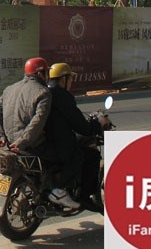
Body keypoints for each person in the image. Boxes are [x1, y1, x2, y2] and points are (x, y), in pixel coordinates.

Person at [0, 56, 80, 209]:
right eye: (46, 73)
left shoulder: (9, 89)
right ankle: (57, 190)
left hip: (10, 143)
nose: (47, 77)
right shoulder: (43, 92)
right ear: (40, 74)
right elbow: (38, 121)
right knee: (71, 154)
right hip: (31, 145)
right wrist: (22, 142)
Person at [45, 62, 111, 213]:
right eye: (70, 79)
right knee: (91, 155)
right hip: (56, 143)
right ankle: (84, 196)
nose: (71, 82)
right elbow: (81, 125)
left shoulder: (44, 92)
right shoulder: (62, 96)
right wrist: (96, 124)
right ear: (63, 79)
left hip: (41, 141)